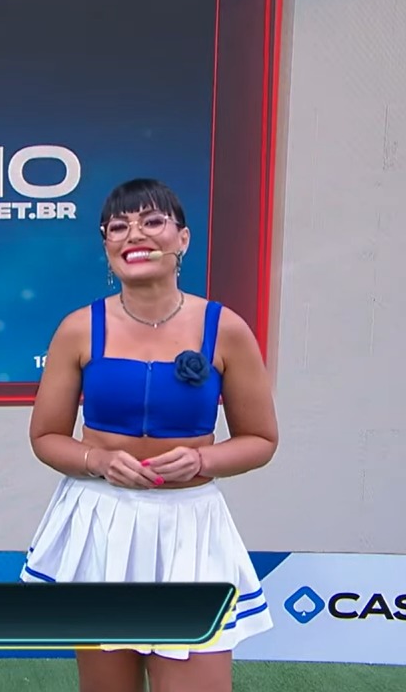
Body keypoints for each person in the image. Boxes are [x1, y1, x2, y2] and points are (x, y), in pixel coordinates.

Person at [20, 178, 278, 692]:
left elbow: (261, 439)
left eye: (152, 221)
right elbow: (46, 436)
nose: (134, 235)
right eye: (118, 227)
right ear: (106, 246)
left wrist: (202, 462)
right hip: (102, 525)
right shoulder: (78, 328)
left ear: (183, 238)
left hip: (190, 529)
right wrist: (96, 460)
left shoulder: (225, 328)